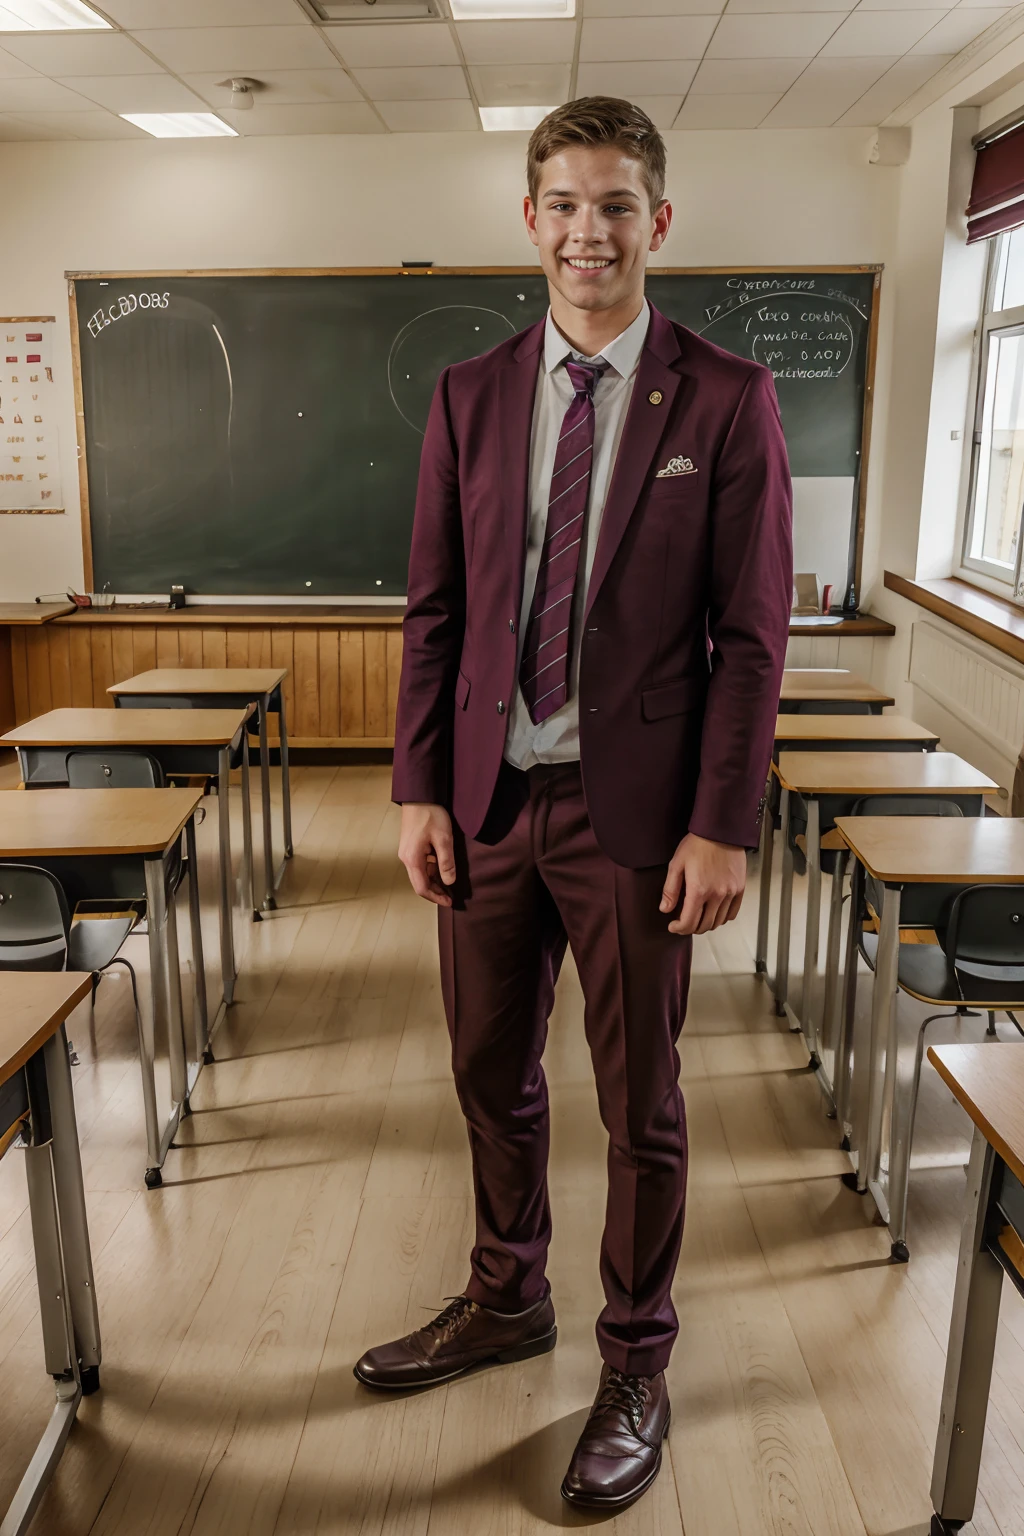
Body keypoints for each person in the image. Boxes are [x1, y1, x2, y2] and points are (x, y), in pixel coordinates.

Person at [354, 96, 793, 1512]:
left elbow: (751, 633)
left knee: (640, 1101)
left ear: (657, 222)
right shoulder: (471, 396)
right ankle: (506, 1299)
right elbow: (434, 612)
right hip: (486, 803)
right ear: (529, 220)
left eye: (616, 205)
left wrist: (724, 821)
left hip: (641, 821)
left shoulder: (725, 394)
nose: (588, 231)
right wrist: (420, 784)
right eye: (564, 203)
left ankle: (635, 1358)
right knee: (490, 1076)